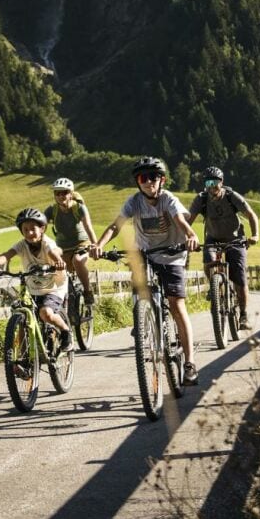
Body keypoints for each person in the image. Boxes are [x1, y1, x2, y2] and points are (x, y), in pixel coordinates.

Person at [93, 156, 202, 385]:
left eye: (153, 177)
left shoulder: (168, 199)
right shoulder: (133, 202)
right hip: (147, 254)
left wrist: (191, 235)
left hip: (173, 255)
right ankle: (142, 318)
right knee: (138, 279)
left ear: (161, 180)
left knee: (176, 303)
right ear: (138, 182)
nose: (148, 182)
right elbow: (115, 225)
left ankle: (190, 363)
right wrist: (99, 245)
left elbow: (181, 221)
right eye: (143, 177)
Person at [0, 207, 73, 354]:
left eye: (33, 229)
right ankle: (22, 357)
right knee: (22, 315)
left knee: (46, 313)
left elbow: (53, 252)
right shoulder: (21, 245)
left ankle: (66, 332)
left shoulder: (47, 243)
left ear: (42, 229)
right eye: (25, 230)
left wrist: (59, 262)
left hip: (54, 287)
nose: (29, 233)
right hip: (33, 288)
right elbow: (6, 255)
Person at [185, 166, 260, 331]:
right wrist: (187, 237)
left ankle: (243, 315)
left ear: (222, 182)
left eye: (215, 182)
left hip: (236, 240)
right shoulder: (201, 199)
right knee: (209, 262)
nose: (212, 186)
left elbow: (251, 215)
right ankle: (215, 288)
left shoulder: (232, 197)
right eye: (208, 182)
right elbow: (187, 221)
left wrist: (255, 235)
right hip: (213, 238)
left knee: (239, 278)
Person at [43, 177, 100, 304]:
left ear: (71, 194)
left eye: (64, 192)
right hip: (62, 247)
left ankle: (87, 291)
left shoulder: (79, 208)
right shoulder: (51, 210)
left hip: (81, 244)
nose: (60, 195)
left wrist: (95, 246)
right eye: (57, 193)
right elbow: (40, 228)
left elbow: (89, 228)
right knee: (52, 268)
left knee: (78, 260)